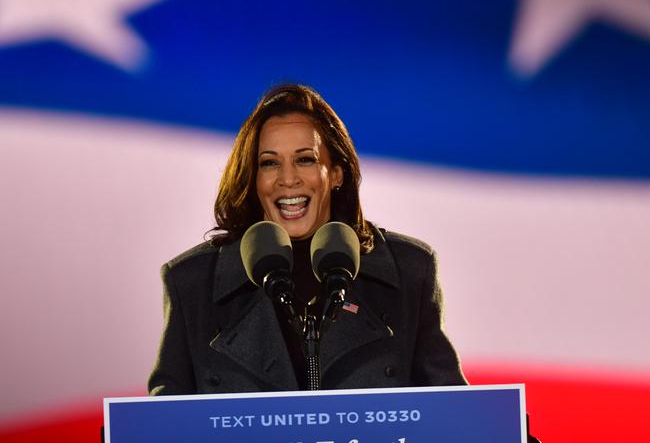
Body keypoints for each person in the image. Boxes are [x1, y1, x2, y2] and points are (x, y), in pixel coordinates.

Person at [147, 84, 467, 395]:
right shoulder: (193, 282)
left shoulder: (409, 270)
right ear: (253, 177)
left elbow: (456, 415)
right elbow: (162, 425)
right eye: (269, 163)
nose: (288, 179)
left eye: (305, 159)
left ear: (337, 173)